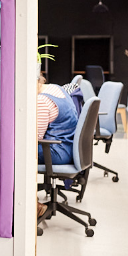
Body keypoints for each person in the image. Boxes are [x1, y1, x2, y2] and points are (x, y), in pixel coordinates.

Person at [36, 75, 79, 218]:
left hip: (56, 151)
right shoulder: (55, 88)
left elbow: (36, 137)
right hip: (68, 147)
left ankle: (34, 206)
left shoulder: (42, 100)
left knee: (15, 155)